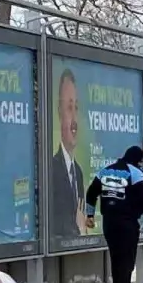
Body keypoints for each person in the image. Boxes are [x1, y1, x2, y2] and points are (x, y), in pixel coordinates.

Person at [85, 145, 143, 283]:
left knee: (115, 256)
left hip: (109, 222)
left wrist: (90, 214)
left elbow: (91, 192)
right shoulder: (135, 173)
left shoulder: (105, 170)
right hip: (128, 222)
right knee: (127, 257)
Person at [50, 68, 86, 239]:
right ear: (59, 112)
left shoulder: (78, 172)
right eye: (69, 108)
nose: (74, 120)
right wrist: (79, 230)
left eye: (76, 108)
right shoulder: (51, 168)